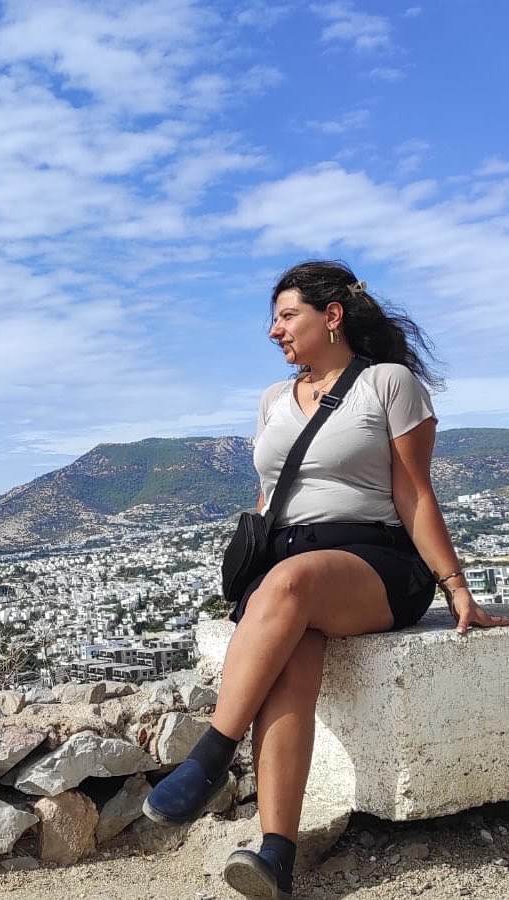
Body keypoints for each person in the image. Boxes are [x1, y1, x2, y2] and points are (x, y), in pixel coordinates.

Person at [142, 260, 509, 899]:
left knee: (292, 584)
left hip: (375, 562)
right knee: (290, 661)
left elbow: (415, 493)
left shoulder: (389, 384)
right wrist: (251, 588)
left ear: (331, 315)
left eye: (287, 316)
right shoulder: (272, 400)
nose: (274, 330)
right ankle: (276, 853)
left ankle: (211, 757)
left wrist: (456, 588)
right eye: (274, 319)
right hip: (288, 566)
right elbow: (269, 497)